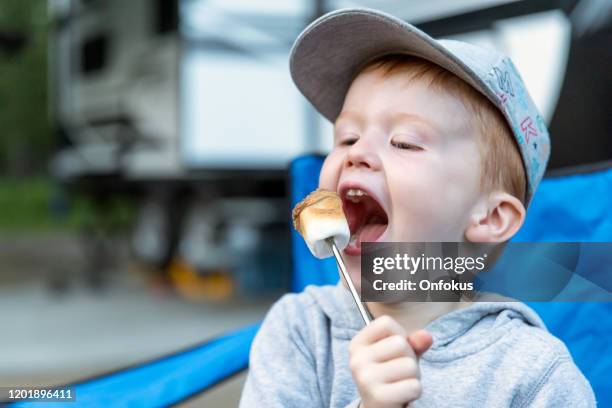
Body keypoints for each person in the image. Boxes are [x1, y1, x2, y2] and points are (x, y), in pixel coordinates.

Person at [240, 8, 595, 408]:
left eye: (404, 142)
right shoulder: (300, 332)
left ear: (491, 217)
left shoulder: (533, 373)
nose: (358, 154)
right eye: (346, 136)